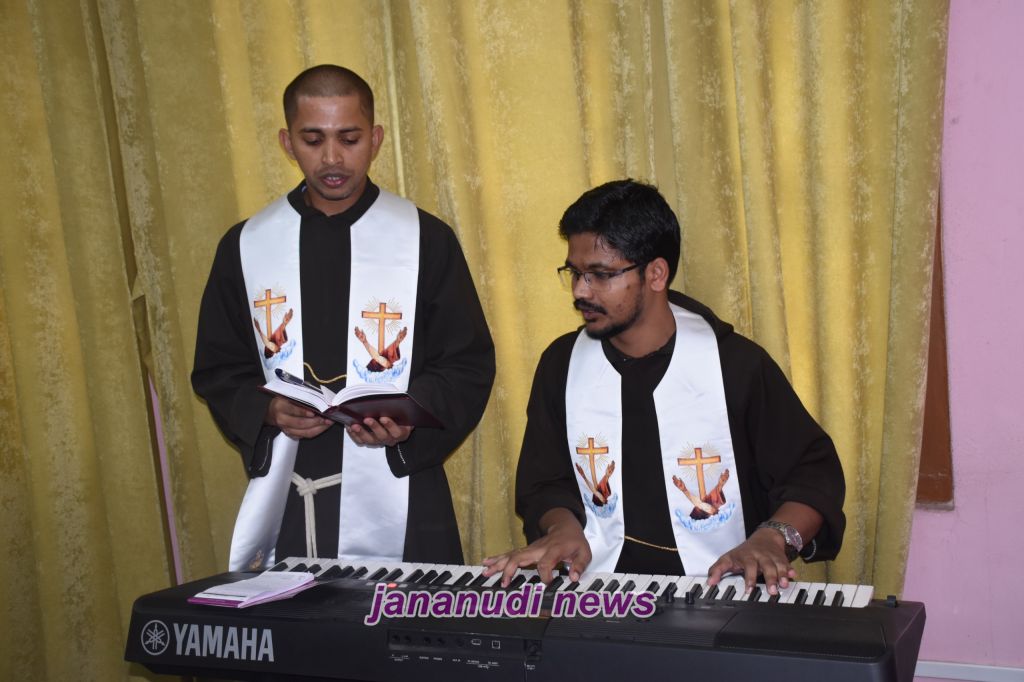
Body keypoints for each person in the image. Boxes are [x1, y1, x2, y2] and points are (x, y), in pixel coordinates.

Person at [192, 65, 495, 571]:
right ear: (287, 143)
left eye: (349, 139)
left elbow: (467, 363)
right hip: (290, 488)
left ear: (375, 139)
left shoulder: (425, 239)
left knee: (403, 621)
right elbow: (219, 367)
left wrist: (408, 415)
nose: (332, 158)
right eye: (313, 140)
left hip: (400, 491)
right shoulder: (247, 245)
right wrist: (267, 411)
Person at [483, 180, 844, 596]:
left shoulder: (735, 365)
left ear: (655, 274)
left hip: (725, 591)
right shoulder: (562, 364)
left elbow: (811, 475)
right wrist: (562, 529)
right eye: (575, 273)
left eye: (600, 275)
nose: (581, 291)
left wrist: (772, 538)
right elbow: (544, 482)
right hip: (596, 593)